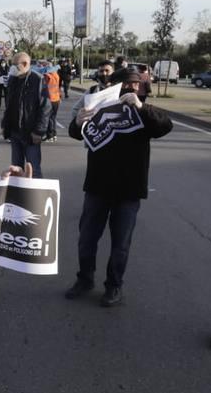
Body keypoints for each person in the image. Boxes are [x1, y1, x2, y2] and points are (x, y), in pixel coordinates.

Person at [65, 68, 172, 307]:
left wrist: (141, 107)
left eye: (137, 85)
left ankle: (114, 285)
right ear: (113, 86)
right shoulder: (98, 106)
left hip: (129, 189)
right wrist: (78, 121)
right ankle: (85, 279)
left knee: (120, 243)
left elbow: (165, 126)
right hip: (97, 185)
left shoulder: (144, 112)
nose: (133, 88)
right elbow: (76, 133)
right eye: (128, 84)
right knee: (87, 238)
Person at [2, 52, 49, 177]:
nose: (11, 68)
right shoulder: (13, 79)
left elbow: (45, 107)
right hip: (15, 132)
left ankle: (36, 196)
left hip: (31, 134)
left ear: (24, 64)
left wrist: (39, 131)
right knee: (16, 169)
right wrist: (5, 126)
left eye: (14, 65)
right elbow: (9, 105)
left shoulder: (38, 80)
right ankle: (18, 195)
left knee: (33, 169)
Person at [43, 63, 62, 141]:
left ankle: (50, 135)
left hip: (50, 99)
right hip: (56, 99)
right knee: (53, 118)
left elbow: (44, 87)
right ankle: (54, 135)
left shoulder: (47, 76)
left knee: (49, 118)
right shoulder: (56, 75)